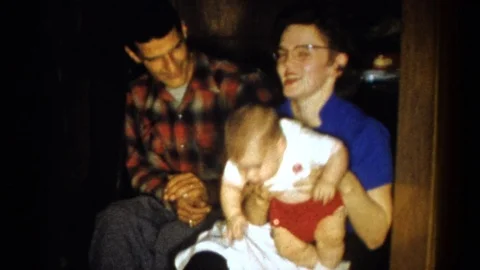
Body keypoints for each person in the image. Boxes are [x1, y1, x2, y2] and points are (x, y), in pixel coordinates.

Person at [176, 2, 393, 270]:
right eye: (282, 54)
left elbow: (375, 237)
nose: (287, 64)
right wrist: (257, 199)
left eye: (304, 53)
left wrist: (340, 180)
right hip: (268, 240)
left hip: (325, 252)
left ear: (338, 62)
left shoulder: (364, 133)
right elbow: (252, 217)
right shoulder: (264, 126)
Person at [87, 0, 279, 269]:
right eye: (154, 59)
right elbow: (137, 167)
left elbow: (270, 168)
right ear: (134, 56)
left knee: (175, 238)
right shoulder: (137, 94)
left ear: (185, 31)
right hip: (167, 203)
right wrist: (170, 192)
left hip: (229, 206)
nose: (171, 66)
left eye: (175, 49)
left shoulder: (239, 84)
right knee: (114, 221)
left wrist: (208, 192)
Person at [221, 104, 349, 270]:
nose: (250, 176)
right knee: (285, 248)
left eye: (257, 167)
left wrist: (328, 180)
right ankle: (319, 266)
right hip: (284, 210)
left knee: (331, 237)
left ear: (280, 146)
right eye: (243, 169)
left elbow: (338, 150)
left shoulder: (300, 139)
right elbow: (229, 187)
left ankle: (331, 264)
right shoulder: (244, 155)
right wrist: (234, 215)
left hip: (319, 200)